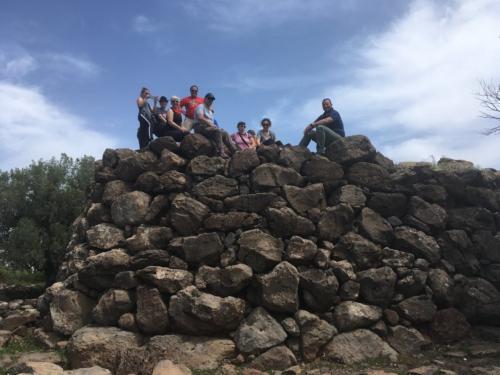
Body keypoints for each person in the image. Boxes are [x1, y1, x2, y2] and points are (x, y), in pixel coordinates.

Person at [193, 93, 237, 158]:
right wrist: (210, 124)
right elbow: (200, 118)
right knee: (218, 131)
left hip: (208, 128)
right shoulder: (201, 106)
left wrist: (213, 125)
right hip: (200, 126)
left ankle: (234, 151)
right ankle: (221, 152)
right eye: (209, 99)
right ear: (205, 99)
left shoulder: (210, 111)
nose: (210, 101)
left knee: (225, 133)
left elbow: (212, 122)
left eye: (212, 100)